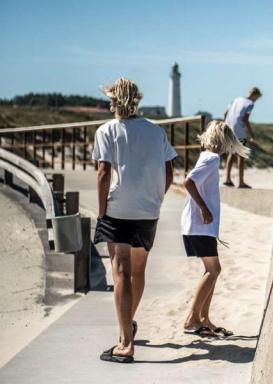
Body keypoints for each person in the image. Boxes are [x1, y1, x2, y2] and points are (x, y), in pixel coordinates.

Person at [93, 78, 177, 364]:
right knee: (137, 272)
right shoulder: (156, 132)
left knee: (121, 274)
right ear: (137, 100)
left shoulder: (107, 130)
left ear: (113, 101)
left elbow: (104, 172)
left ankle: (126, 344)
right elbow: (169, 174)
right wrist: (156, 199)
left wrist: (102, 210)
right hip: (147, 211)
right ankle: (128, 324)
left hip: (118, 212)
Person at [181, 120, 250, 337]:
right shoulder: (211, 159)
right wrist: (204, 209)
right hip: (199, 226)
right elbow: (188, 182)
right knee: (214, 270)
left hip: (198, 226)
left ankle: (203, 319)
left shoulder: (206, 157)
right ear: (222, 141)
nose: (229, 147)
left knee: (211, 270)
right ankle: (192, 319)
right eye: (229, 143)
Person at [223, 87, 262, 188]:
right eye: (257, 98)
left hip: (229, 126)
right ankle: (241, 182)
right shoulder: (250, 104)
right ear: (255, 95)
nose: (256, 100)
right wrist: (252, 135)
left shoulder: (237, 99)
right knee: (241, 155)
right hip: (239, 129)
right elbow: (245, 119)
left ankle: (227, 179)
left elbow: (225, 112)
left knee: (231, 154)